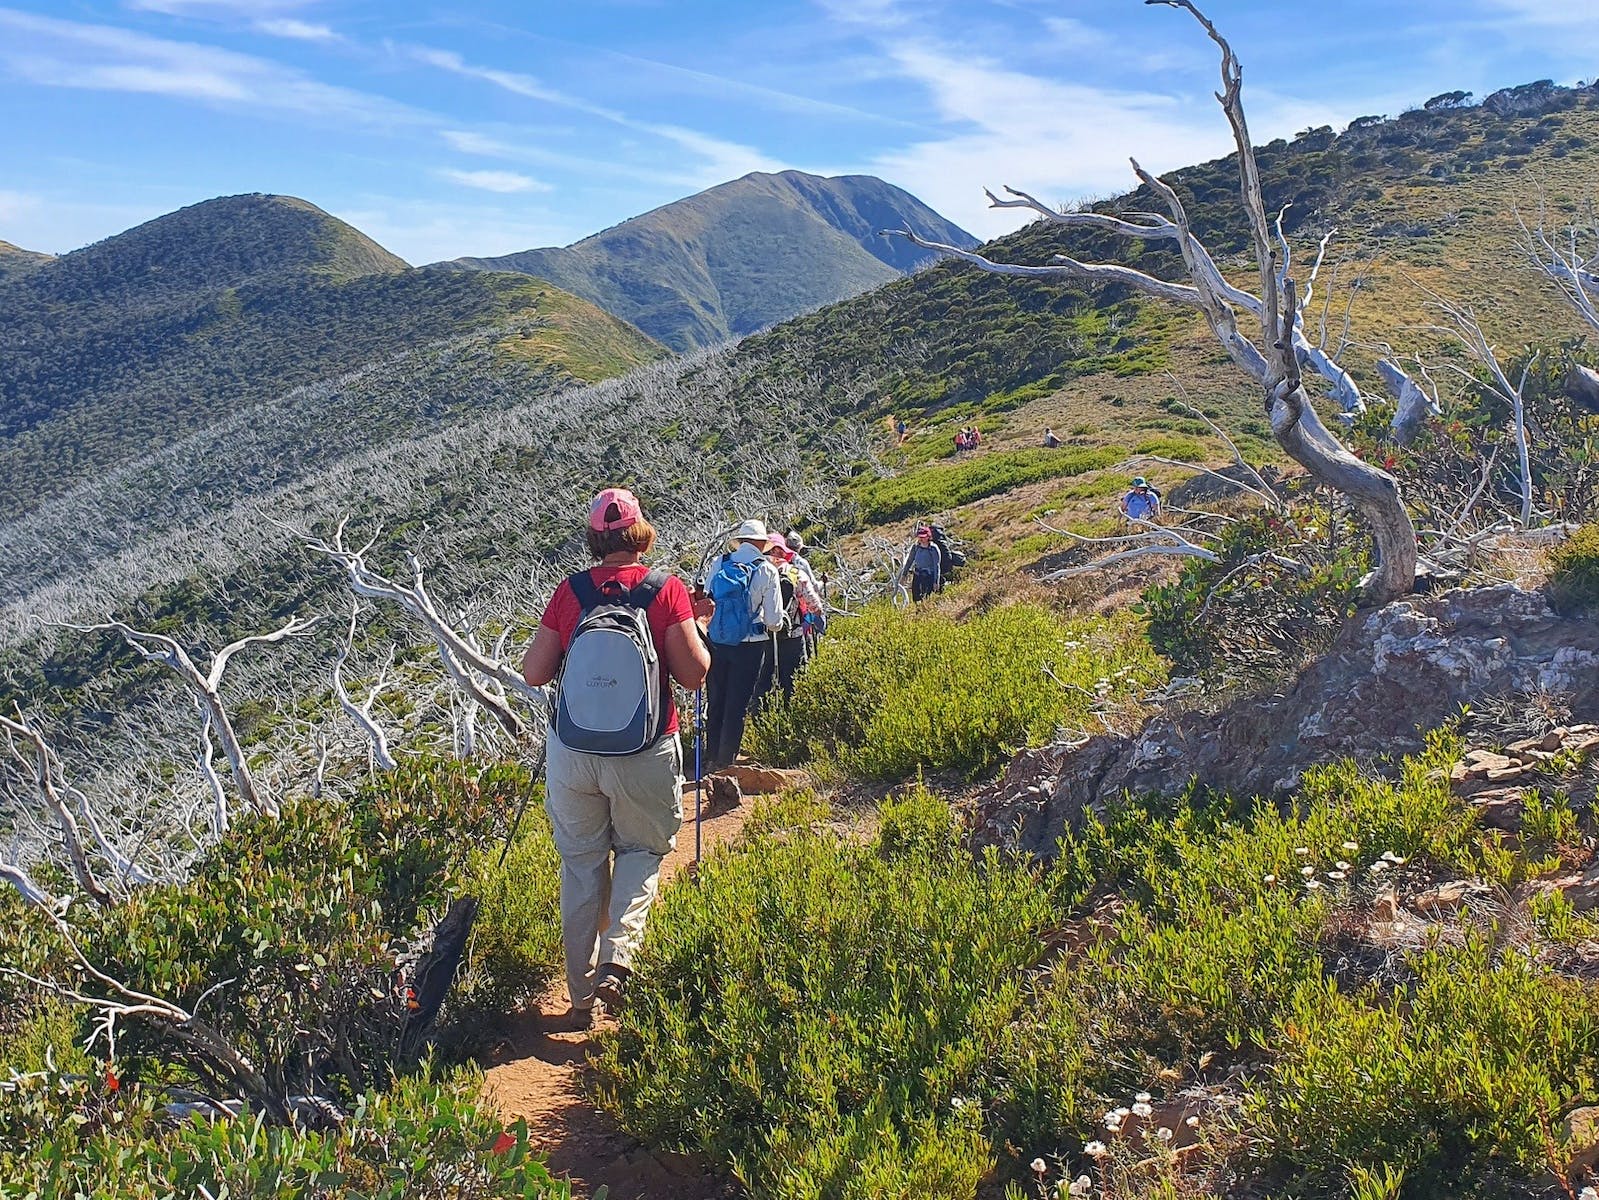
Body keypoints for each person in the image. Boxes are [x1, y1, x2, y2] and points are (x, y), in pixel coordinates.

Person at [521, 487, 709, 1017]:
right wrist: (696, 625)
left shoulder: (570, 592)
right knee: (641, 851)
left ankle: (579, 1001)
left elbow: (535, 673)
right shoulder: (664, 590)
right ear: (639, 534)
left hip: (573, 752)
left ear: (595, 538)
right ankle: (618, 956)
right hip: (643, 750)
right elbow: (694, 675)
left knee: (581, 866)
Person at [699, 519, 784, 773]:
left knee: (716, 699)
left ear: (741, 541)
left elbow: (707, 596)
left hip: (717, 641)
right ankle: (726, 760)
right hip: (749, 645)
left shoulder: (720, 563)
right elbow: (774, 620)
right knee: (737, 703)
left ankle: (709, 755)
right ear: (760, 544)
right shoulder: (766, 570)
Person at [755, 537, 826, 704]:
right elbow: (814, 605)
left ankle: (760, 715)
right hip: (793, 634)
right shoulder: (796, 574)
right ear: (783, 551)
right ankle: (792, 714)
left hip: (764, 636)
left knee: (763, 678)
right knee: (794, 678)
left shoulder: (757, 573)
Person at [899, 524, 943, 602]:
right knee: (915, 597)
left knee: (926, 597)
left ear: (928, 536)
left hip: (929, 576)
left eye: (923, 537)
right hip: (917, 574)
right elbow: (909, 561)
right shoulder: (915, 547)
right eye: (920, 537)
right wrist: (904, 575)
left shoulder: (933, 549)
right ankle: (918, 611)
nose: (921, 539)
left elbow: (936, 565)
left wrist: (936, 582)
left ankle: (924, 610)